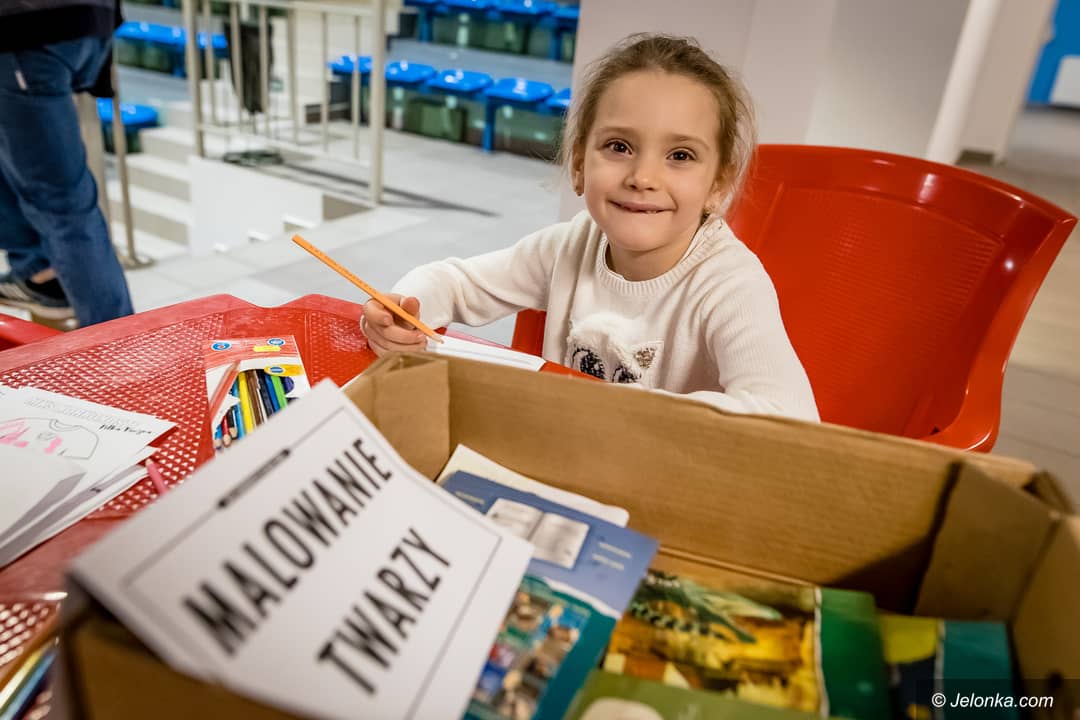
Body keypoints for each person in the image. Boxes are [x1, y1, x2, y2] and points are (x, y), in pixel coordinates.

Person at [363, 34, 818, 421]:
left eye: (680, 155)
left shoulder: (730, 284)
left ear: (718, 185)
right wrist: (403, 313)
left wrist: (627, 411)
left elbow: (788, 415)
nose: (643, 177)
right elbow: (454, 282)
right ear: (579, 164)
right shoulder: (569, 246)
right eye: (619, 146)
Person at [0, 0, 134, 326]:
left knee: (63, 204)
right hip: (85, 21)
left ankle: (115, 341)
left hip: (27, 31)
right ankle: (40, 272)